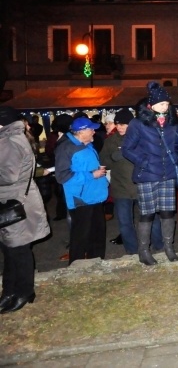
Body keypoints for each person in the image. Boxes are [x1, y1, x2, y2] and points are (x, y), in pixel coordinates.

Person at [122, 81, 178, 265]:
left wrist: (177, 158)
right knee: (147, 214)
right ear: (151, 104)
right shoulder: (138, 123)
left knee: (168, 213)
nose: (165, 106)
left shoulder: (172, 123)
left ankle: (168, 247)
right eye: (161, 103)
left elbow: (176, 145)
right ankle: (144, 251)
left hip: (168, 174)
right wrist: (143, 161)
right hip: (147, 175)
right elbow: (126, 148)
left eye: (167, 103)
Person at [0, 106, 50, 313]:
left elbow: (8, 176)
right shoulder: (10, 138)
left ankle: (24, 291)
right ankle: (9, 291)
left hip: (15, 202)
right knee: (10, 250)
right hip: (13, 201)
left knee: (18, 250)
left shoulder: (9, 141)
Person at [100, 109, 164, 255]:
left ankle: (159, 245)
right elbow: (103, 161)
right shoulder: (111, 141)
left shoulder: (141, 138)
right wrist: (113, 157)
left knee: (150, 219)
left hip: (142, 185)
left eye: (124, 124)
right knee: (125, 222)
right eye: (118, 124)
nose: (120, 127)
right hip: (121, 188)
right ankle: (132, 251)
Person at [55, 116, 109, 264]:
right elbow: (62, 176)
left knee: (97, 234)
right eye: (91, 129)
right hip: (81, 199)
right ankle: (77, 267)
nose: (94, 132)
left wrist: (97, 172)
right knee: (81, 237)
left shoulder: (87, 145)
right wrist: (92, 174)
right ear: (81, 131)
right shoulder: (66, 148)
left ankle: (96, 263)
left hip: (95, 196)